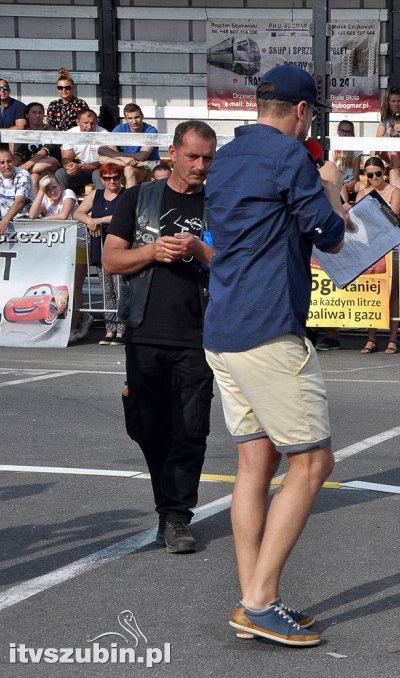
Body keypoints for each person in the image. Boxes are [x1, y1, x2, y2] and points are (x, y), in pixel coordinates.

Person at [203, 65, 348, 648]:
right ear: (303, 112)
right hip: (267, 327)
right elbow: (331, 235)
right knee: (313, 464)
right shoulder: (291, 157)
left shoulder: (230, 156)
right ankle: (259, 602)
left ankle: (253, 595)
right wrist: (332, 184)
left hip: (223, 326)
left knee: (254, 465)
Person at [102, 121, 217, 556]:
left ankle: (176, 517)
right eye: (193, 156)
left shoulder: (219, 203)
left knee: (190, 428)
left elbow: (233, 264)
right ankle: (165, 506)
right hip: (144, 329)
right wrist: (152, 251)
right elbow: (111, 260)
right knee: (149, 425)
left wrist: (198, 251)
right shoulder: (139, 197)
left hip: (199, 332)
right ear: (172, 153)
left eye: (208, 158)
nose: (200, 166)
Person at [354, 156, 400, 356]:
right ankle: (371, 338)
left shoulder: (394, 191)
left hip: (392, 245)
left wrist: (371, 214)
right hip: (371, 247)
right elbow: (358, 221)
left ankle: (393, 339)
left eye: (378, 173)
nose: (374, 177)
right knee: (372, 293)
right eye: (370, 174)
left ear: (384, 172)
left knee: (393, 294)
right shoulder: (362, 193)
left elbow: (391, 218)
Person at [76, 163, 126, 344]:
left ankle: (122, 329)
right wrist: (89, 221)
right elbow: (78, 212)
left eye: (115, 177)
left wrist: (97, 220)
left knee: (120, 289)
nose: (112, 181)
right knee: (107, 291)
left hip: (119, 248)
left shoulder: (126, 195)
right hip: (100, 246)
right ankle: (109, 328)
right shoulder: (96, 194)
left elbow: (121, 217)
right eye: (108, 178)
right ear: (102, 180)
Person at [99, 103, 161, 187]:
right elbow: (101, 149)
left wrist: (121, 157)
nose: (134, 121)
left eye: (137, 117)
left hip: (148, 169)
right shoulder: (120, 128)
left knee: (128, 170)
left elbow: (142, 156)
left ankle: (130, 199)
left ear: (142, 116)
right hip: (137, 163)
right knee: (102, 159)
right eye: (130, 118)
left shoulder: (151, 130)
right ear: (125, 119)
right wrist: (123, 158)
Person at [12, 102, 62, 192]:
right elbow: (17, 155)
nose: (37, 115)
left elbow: (44, 151)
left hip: (51, 167)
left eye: (40, 112)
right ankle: (35, 205)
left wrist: (25, 167)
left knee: (50, 160)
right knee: (34, 177)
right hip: (32, 170)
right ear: (27, 115)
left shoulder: (51, 130)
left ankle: (19, 173)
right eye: (34, 112)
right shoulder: (24, 133)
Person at [56, 108, 108, 191]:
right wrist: (69, 167)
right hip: (81, 170)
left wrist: (81, 166)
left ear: (97, 122)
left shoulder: (104, 134)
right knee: (61, 173)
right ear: (78, 122)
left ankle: (101, 202)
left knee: (98, 174)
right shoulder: (70, 134)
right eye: (86, 123)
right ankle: (62, 201)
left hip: (99, 168)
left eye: (93, 123)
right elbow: (66, 158)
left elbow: (103, 162)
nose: (89, 127)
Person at [0, 148, 33, 235]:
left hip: (26, 223)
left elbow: (20, 202)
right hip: (4, 222)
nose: (7, 166)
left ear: (14, 161)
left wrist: (5, 220)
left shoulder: (23, 175)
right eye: (2, 163)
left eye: (9, 161)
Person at [332, 119, 363, 201]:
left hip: (351, 182)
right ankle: (346, 208)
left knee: (363, 187)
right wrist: (343, 185)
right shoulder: (332, 148)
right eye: (343, 131)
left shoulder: (356, 149)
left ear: (352, 133)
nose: (345, 134)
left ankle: (358, 209)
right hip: (336, 182)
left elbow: (356, 176)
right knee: (341, 188)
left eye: (348, 131)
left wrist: (349, 184)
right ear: (338, 131)